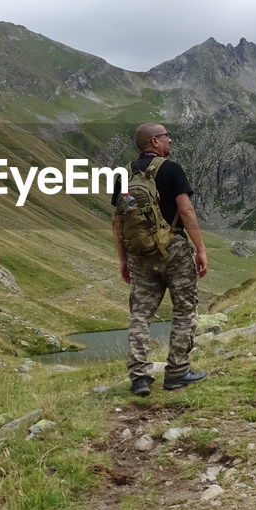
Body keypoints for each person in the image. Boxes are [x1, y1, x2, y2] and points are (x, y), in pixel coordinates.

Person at [111, 122, 209, 396]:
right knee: (184, 312)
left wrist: (122, 259)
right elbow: (185, 209)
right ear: (154, 142)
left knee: (140, 316)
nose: (170, 141)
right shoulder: (171, 169)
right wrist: (200, 248)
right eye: (167, 137)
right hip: (174, 250)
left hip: (140, 256)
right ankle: (177, 374)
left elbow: (117, 221)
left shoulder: (123, 174)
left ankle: (140, 378)